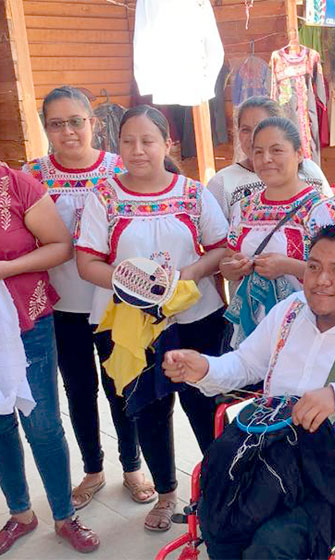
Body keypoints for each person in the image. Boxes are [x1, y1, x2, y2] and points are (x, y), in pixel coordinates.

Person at [162, 225, 335, 559]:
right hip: (268, 461)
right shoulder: (290, 311)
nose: (320, 280)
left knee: (272, 546)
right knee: (219, 517)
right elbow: (246, 364)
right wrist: (204, 368)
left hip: (331, 482)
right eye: (314, 267)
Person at [76, 105, 229, 532]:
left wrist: (188, 276)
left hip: (195, 319)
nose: (138, 150)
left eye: (148, 140)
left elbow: (220, 247)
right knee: (148, 408)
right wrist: (136, 286)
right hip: (131, 324)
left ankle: (220, 491)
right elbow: (86, 261)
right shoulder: (103, 196)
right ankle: (166, 494)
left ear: (167, 144)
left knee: (205, 406)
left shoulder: (193, 193)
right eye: (128, 141)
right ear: (117, 145)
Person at [20, 86, 156, 511]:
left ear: (93, 124)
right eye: (56, 124)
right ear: (46, 129)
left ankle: (132, 466)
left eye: (76, 121)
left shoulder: (121, 170)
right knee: (78, 390)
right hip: (60, 307)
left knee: (122, 385)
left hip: (116, 304)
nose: (68, 131)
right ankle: (94, 469)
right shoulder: (33, 175)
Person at [0, 164, 100, 554]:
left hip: (27, 319)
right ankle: (21, 514)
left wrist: (6, 268)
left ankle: (64, 515)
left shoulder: (16, 184)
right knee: (0, 423)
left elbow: (61, 245)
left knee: (41, 423)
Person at [221, 117, 321, 348]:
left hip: (305, 329)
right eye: (258, 152)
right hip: (252, 333)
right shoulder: (246, 207)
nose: (266, 159)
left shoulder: (320, 209)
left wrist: (287, 266)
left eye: (277, 150)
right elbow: (228, 260)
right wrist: (234, 266)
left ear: (298, 154)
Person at [207, 96, 330, 221]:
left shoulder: (310, 170)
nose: (252, 137)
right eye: (245, 130)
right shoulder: (222, 183)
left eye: (261, 127)